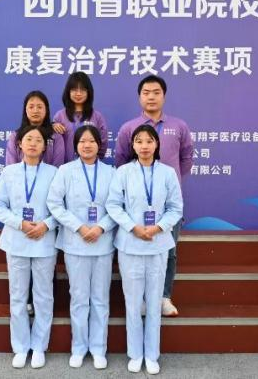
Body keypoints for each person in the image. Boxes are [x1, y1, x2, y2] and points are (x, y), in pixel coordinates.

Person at [106, 124, 183, 375]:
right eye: (139, 141)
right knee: (132, 302)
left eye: (149, 141)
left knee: (153, 301)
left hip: (158, 244)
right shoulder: (123, 172)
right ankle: (135, 354)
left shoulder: (168, 173)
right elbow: (113, 205)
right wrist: (133, 227)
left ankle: (151, 355)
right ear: (133, 145)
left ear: (157, 144)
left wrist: (159, 227)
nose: (144, 146)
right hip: (130, 244)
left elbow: (176, 208)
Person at [114, 75, 193, 317]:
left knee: (170, 251)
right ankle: (140, 299)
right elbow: (121, 160)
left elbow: (186, 159)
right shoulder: (129, 128)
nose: (151, 97)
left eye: (156, 92)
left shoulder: (178, 126)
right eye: (146, 92)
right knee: (136, 252)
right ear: (139, 97)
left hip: (166, 204)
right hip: (136, 206)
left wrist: (169, 184)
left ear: (164, 96)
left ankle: (164, 297)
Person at [46, 125, 115, 370]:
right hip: (75, 243)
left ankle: (98, 349)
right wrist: (79, 227)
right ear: (76, 145)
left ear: (99, 145)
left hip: (102, 243)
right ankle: (78, 348)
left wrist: (101, 227)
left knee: (100, 298)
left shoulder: (111, 172)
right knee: (78, 298)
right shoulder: (65, 171)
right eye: (82, 141)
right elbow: (55, 203)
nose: (87, 145)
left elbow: (118, 206)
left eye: (92, 141)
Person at [0, 125, 58, 369]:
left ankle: (39, 346)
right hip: (16, 241)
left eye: (38, 140)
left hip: (44, 242)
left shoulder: (53, 173)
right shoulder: (9, 172)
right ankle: (20, 347)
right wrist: (20, 223)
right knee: (18, 296)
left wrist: (46, 225)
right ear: (19, 144)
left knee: (43, 296)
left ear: (44, 146)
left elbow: (61, 208)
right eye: (28, 139)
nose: (33, 143)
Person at [52, 72, 109, 163]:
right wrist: (53, 126)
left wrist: (92, 161)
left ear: (88, 92)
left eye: (82, 90)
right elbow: (53, 143)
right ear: (68, 92)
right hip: (65, 167)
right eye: (74, 90)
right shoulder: (60, 116)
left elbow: (103, 143)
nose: (78, 94)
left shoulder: (97, 117)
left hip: (90, 165)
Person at [6, 90, 65, 167]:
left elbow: (57, 167)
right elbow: (10, 168)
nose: (35, 111)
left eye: (40, 107)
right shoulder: (15, 137)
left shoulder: (56, 137)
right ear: (25, 110)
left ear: (46, 110)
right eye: (31, 107)